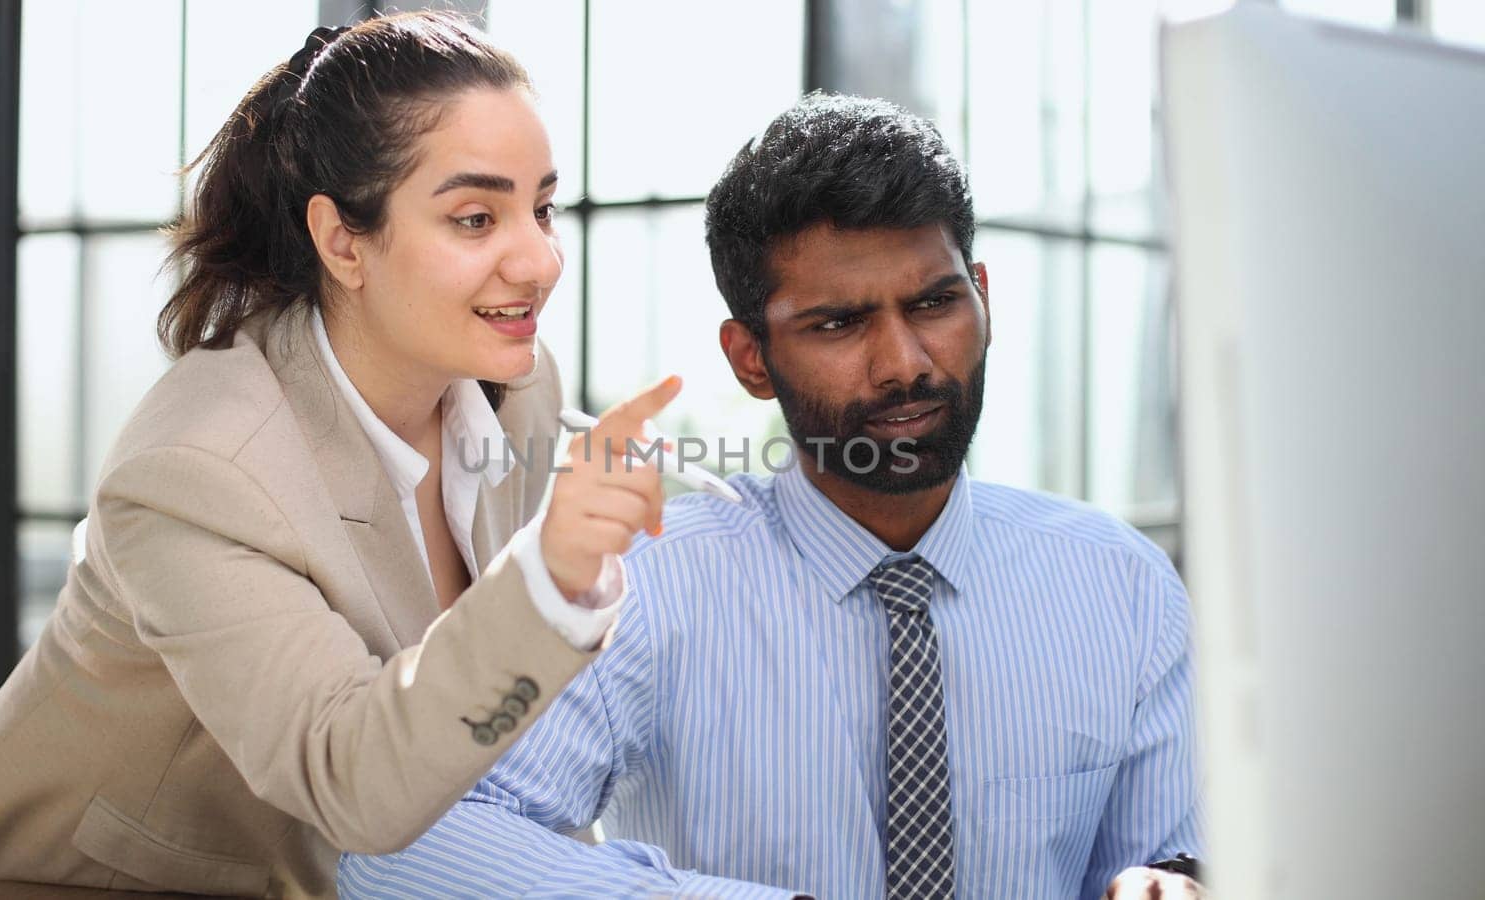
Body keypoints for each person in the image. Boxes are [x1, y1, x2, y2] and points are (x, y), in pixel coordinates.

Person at [339, 93, 1203, 899]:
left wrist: (1174, 882)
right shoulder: (649, 586)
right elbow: (397, 850)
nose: (905, 361)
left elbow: (1176, 855)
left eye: (935, 302)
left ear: (981, 298)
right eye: (839, 323)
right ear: (750, 358)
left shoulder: (1121, 588)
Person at [0, 13, 673, 898]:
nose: (540, 259)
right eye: (475, 217)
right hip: (131, 881)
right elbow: (356, 782)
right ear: (343, 240)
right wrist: (552, 575)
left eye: (540, 208)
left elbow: (494, 735)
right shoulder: (200, 469)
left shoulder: (516, 386)